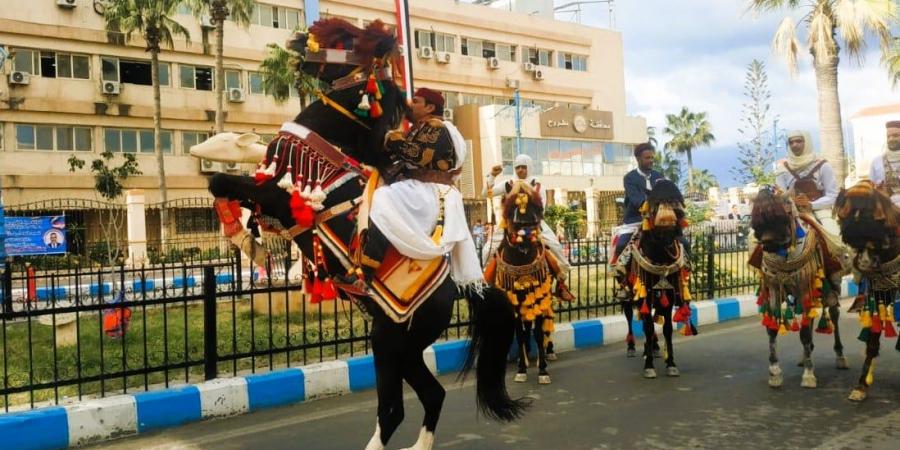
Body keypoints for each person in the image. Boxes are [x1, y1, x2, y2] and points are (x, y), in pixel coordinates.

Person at [342, 88, 483, 294]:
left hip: (431, 192)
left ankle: (367, 274)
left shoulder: (437, 128)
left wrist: (390, 138)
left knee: (382, 199)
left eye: (416, 101)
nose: (411, 105)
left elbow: (417, 155)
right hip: (420, 189)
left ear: (430, 107)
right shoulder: (422, 128)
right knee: (376, 192)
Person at [482, 154, 575, 300]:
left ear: (529, 168)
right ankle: (487, 285)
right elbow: (486, 194)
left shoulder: (537, 185)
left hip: (534, 224)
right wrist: (492, 176)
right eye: (517, 167)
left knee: (556, 247)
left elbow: (541, 208)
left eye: (523, 167)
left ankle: (561, 284)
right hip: (509, 225)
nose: (520, 170)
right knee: (487, 249)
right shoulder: (508, 184)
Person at [775, 130, 839, 234]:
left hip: (820, 210)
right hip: (793, 212)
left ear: (807, 142)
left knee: (835, 238)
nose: (794, 145)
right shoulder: (782, 169)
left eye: (799, 141)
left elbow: (833, 195)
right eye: (791, 142)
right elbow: (780, 195)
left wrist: (811, 205)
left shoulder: (822, 165)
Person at [613, 142, 663, 261]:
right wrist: (650, 205)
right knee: (621, 246)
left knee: (683, 242)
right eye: (647, 158)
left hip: (658, 220)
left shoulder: (658, 176)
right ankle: (621, 273)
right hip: (635, 221)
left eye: (652, 157)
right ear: (638, 159)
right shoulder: (629, 178)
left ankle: (685, 265)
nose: (651, 160)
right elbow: (636, 199)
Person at [869, 120, 900, 207]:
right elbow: (870, 188)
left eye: (896, 136)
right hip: (885, 212)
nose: (891, 139)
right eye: (888, 136)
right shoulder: (876, 161)